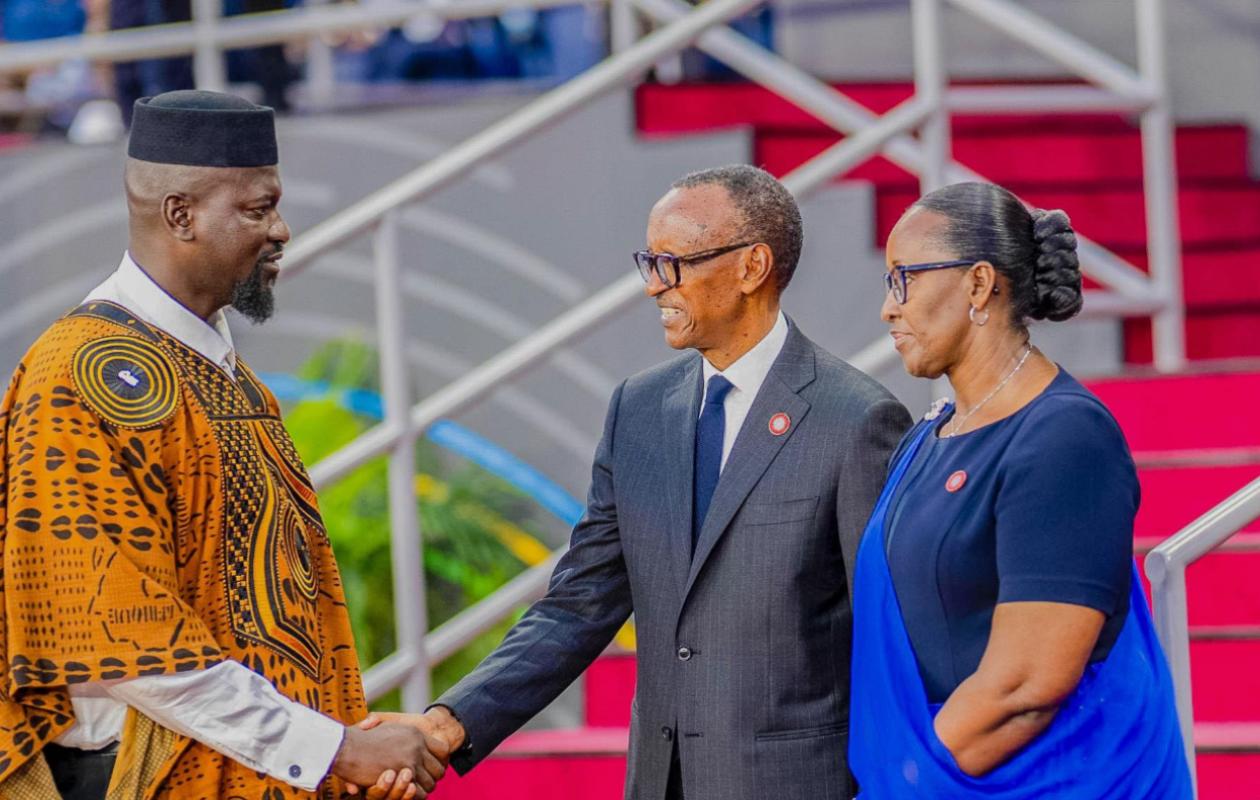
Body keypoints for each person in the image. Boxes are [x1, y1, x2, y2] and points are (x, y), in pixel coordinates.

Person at [355, 164, 913, 800]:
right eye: (649, 262)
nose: (653, 287)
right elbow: (579, 602)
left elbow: (885, 639)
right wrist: (445, 725)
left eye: (671, 264)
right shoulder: (639, 411)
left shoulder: (856, 418)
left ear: (751, 267)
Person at [0, 90, 443, 799]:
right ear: (180, 214)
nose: (281, 230)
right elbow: (126, 640)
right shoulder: (79, 375)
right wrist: (329, 748)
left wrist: (340, 746)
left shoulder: (227, 376)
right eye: (257, 208)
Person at [849, 181, 1192, 797]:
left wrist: (909, 777)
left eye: (906, 278)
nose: (888, 308)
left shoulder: (1064, 437)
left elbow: (1025, 687)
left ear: (979, 284)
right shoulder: (929, 435)